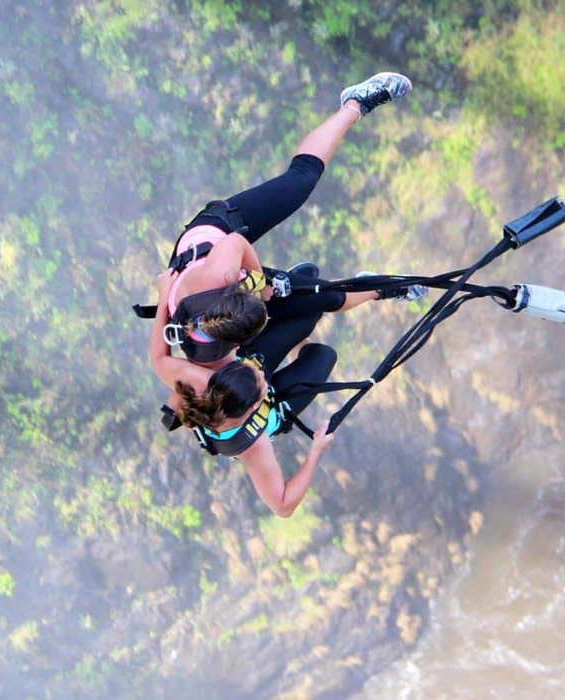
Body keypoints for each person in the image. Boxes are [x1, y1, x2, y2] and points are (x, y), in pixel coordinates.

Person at [160, 72, 420, 371]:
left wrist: (258, 281)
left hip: (216, 232)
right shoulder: (206, 353)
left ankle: (355, 103)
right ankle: (376, 287)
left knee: (300, 182)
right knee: (329, 298)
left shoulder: (218, 275)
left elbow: (236, 242)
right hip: (235, 295)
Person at [152, 269, 341, 517]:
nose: (262, 373)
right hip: (276, 410)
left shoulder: (198, 381)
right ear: (254, 406)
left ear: (220, 376)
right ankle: (297, 344)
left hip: (246, 370)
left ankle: (291, 327)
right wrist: (315, 450)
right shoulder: (254, 445)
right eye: (261, 379)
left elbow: (158, 356)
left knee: (310, 299)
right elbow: (283, 506)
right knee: (323, 355)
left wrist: (163, 295)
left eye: (253, 371)